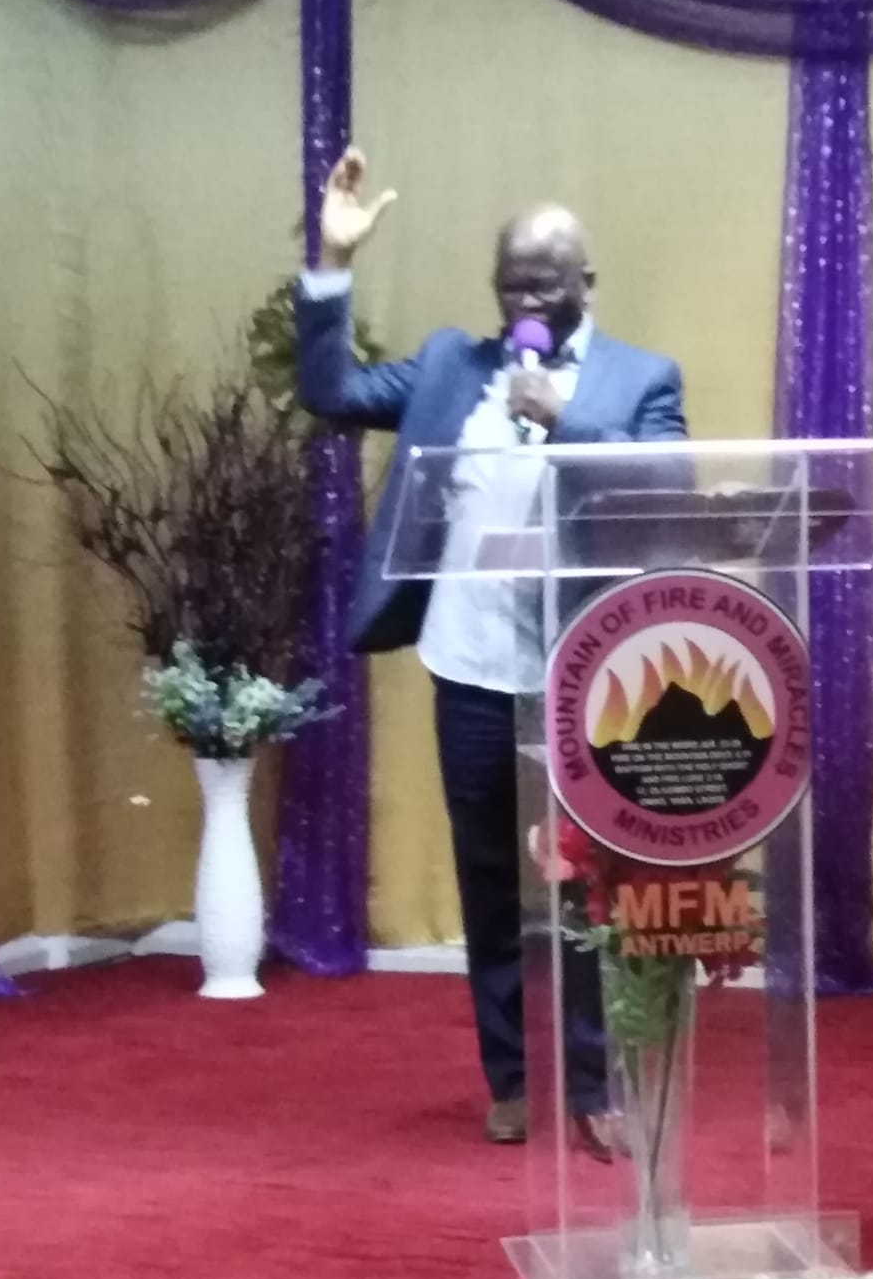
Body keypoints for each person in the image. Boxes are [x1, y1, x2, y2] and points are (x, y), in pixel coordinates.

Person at [295, 147, 688, 1149]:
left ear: (586, 282)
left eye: (546, 283)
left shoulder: (639, 377)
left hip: (588, 676)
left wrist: (566, 417)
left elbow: (667, 481)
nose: (527, 300)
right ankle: (511, 1075)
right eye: (512, 283)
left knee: (590, 884)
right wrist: (332, 261)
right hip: (468, 668)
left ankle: (595, 1086)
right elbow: (330, 388)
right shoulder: (449, 367)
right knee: (491, 882)